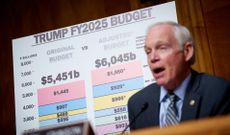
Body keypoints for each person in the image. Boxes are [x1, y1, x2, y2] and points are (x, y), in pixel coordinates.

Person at [127, 21, 230, 130]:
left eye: (162, 48)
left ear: (187, 51)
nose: (152, 58)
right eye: (148, 52)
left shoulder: (218, 91)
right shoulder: (137, 103)